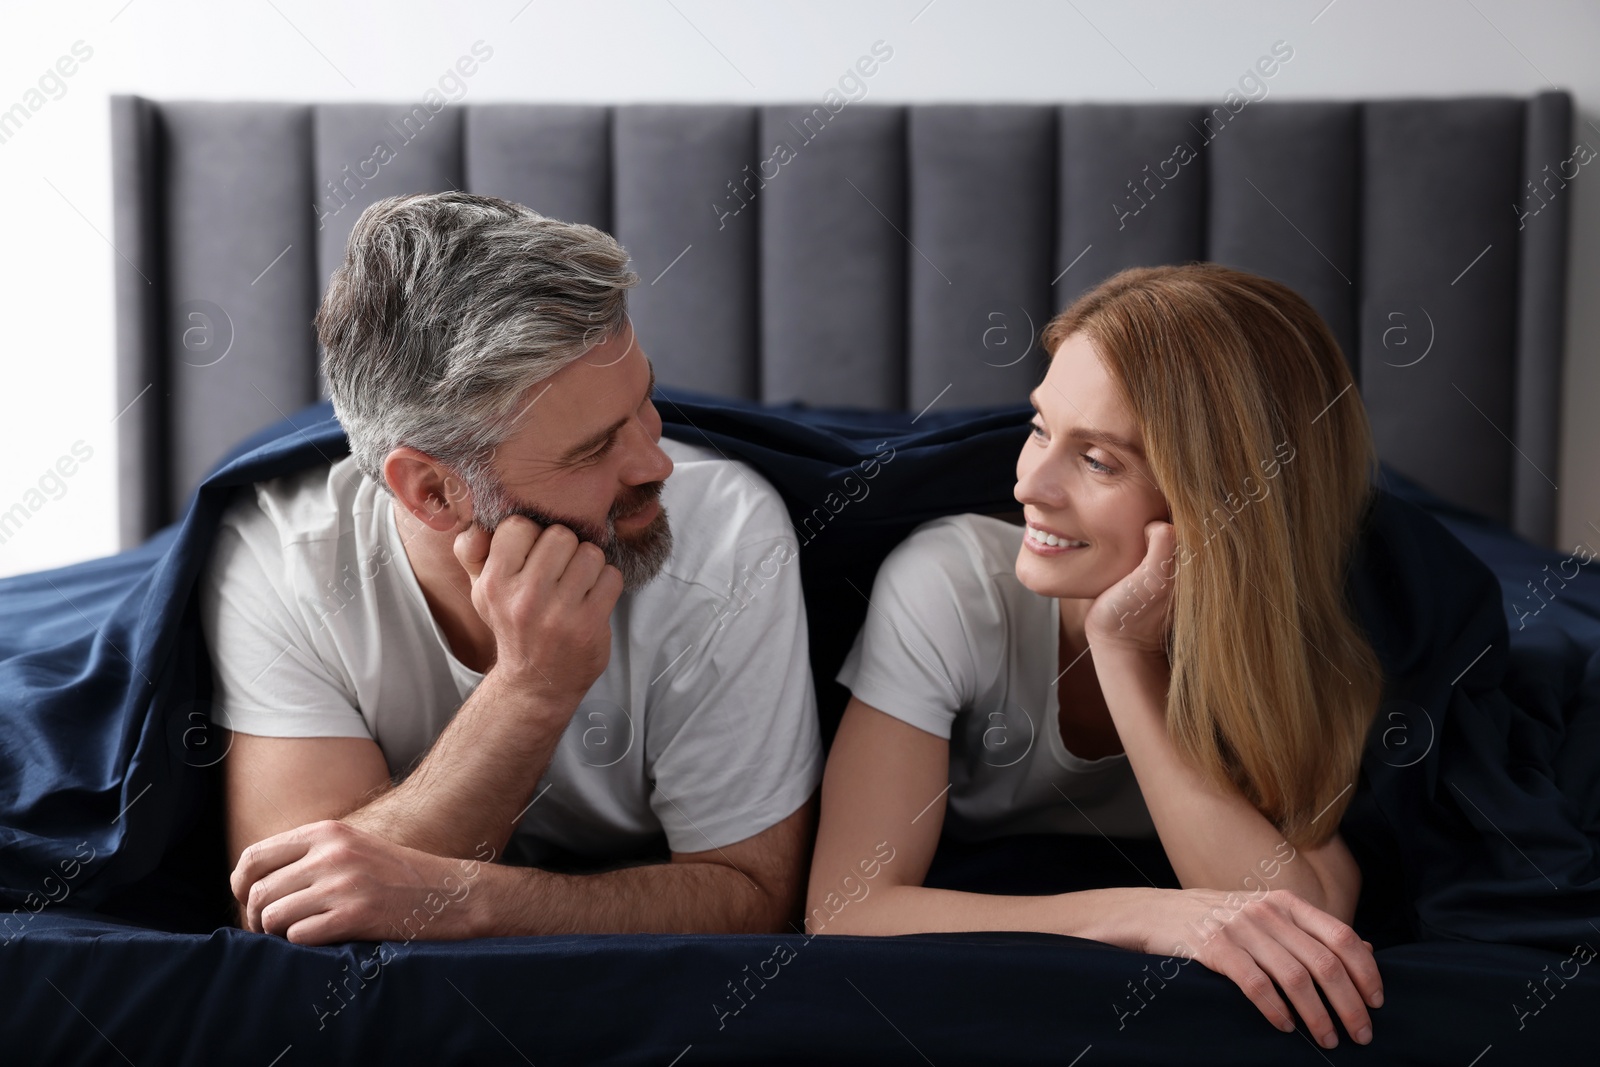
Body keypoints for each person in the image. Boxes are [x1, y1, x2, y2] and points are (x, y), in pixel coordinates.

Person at [203, 192, 821, 944]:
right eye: (594, 449)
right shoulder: (284, 562)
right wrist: (530, 687)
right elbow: (288, 906)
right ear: (433, 491)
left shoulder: (726, 535)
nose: (656, 461)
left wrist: (469, 899)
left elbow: (756, 894)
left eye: (645, 401)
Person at [809, 264, 1387, 1050]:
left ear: (1216, 500)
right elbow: (846, 906)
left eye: (1099, 460)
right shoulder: (948, 583)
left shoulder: (1282, 638)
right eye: (1041, 427)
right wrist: (1140, 913)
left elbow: (1307, 911)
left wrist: (1123, 651)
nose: (1029, 484)